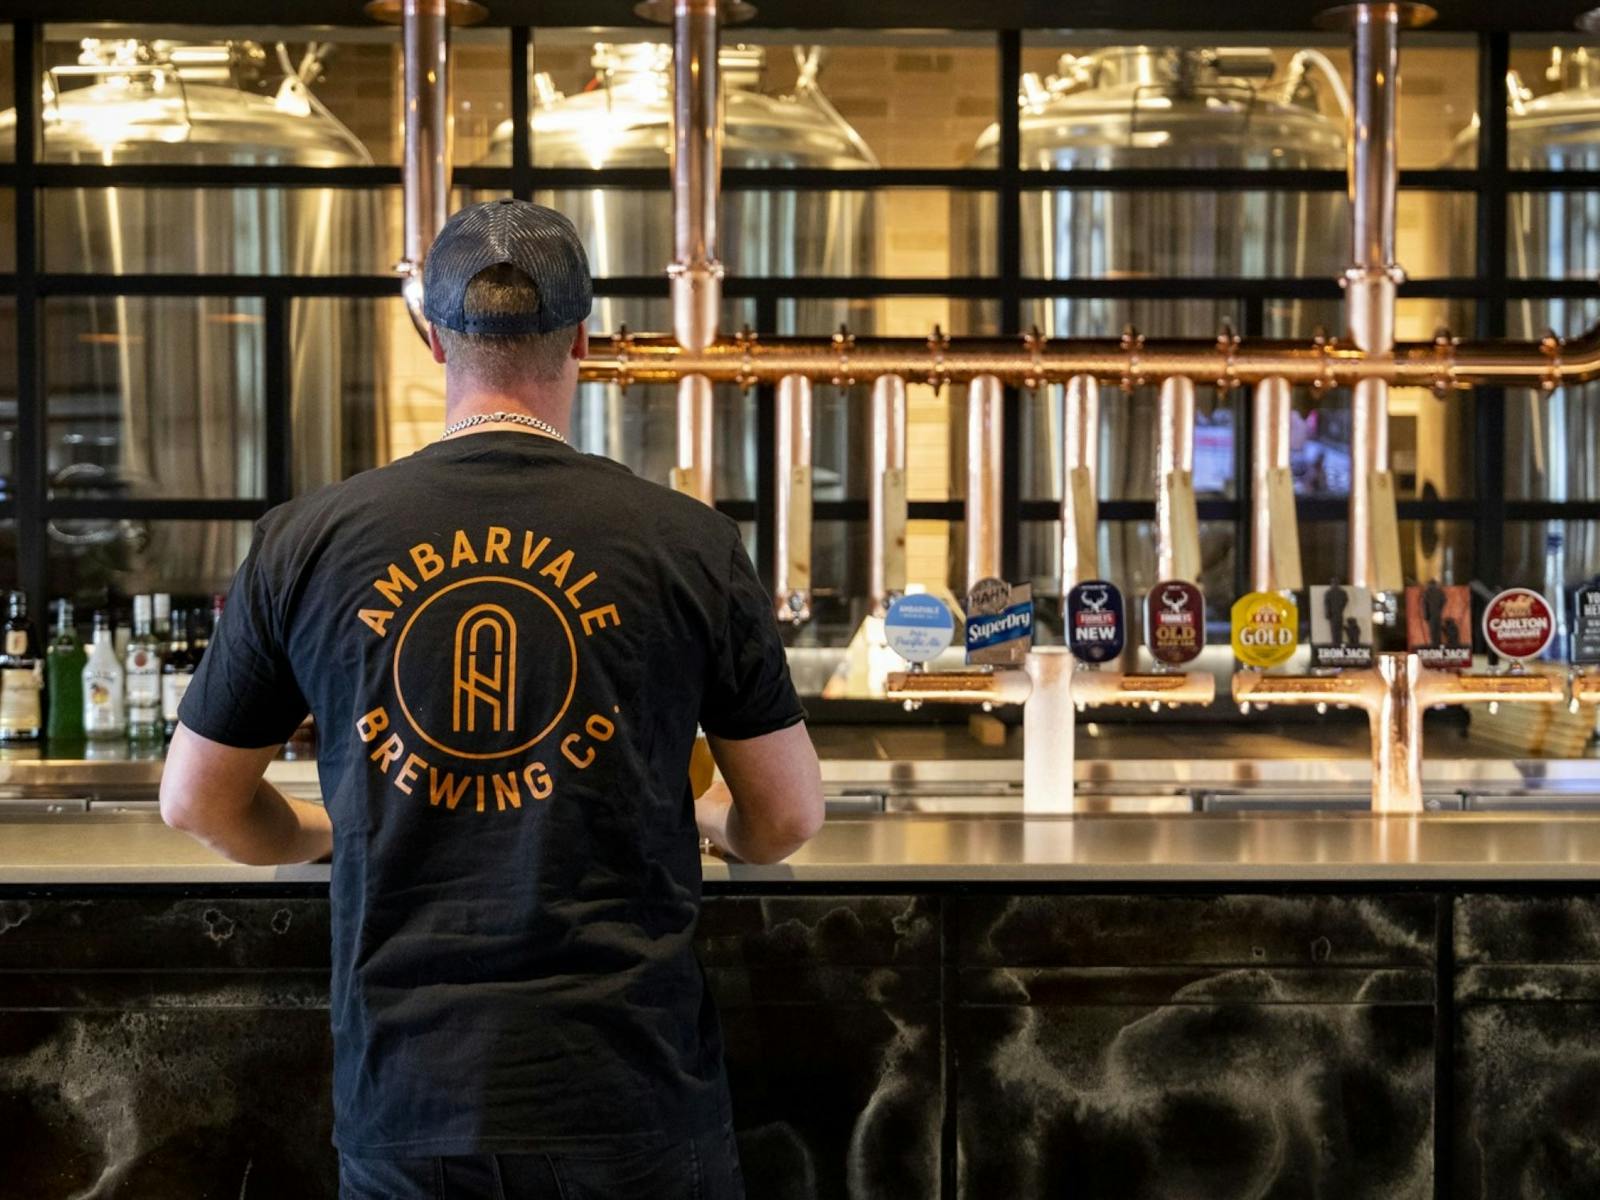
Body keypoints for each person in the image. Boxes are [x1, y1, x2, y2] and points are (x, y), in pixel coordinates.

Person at [159, 198, 825, 1199]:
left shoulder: (307, 540)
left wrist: (323, 831)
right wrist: (705, 820)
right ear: (583, 340)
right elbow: (787, 816)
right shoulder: (689, 542)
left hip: (411, 1102)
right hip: (629, 1094)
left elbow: (196, 802)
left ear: (433, 338)